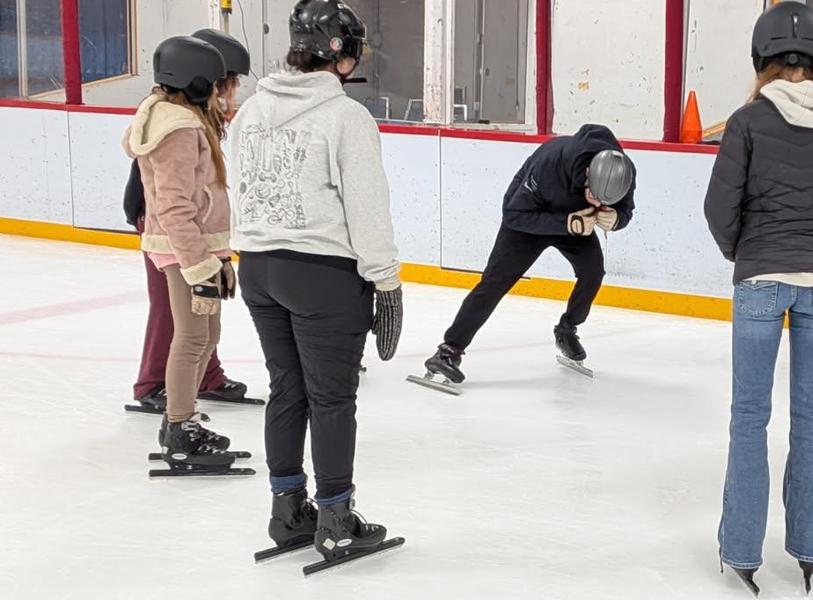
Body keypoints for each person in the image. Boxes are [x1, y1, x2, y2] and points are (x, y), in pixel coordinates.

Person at [705, 2, 813, 594]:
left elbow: (719, 209)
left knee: (749, 419)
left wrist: (744, 254)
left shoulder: (747, 120)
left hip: (759, 279)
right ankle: (810, 547)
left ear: (761, 56)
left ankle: (741, 551)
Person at [229, 0, 404, 570]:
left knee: (287, 388)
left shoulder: (251, 109)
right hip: (320, 275)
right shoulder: (345, 117)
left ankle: (288, 512)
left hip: (258, 268)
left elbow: (245, 185)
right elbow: (367, 206)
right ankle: (335, 521)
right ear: (342, 55)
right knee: (331, 398)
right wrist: (385, 278)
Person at [418, 125, 635, 387]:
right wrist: (566, 223)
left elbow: (625, 210)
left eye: (604, 202)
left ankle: (567, 330)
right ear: (588, 173)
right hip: (528, 220)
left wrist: (616, 219)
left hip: (576, 223)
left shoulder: (623, 172)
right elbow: (513, 214)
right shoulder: (549, 164)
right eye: (594, 196)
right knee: (494, 283)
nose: (598, 204)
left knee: (593, 272)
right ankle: (448, 351)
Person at [125, 35, 246, 474]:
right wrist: (198, 265)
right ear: (193, 81)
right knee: (193, 338)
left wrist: (220, 257)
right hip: (183, 251)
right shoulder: (178, 128)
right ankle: (179, 429)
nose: (219, 91)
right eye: (214, 83)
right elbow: (174, 205)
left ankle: (183, 419)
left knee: (207, 337)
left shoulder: (179, 118)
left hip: (199, 248)